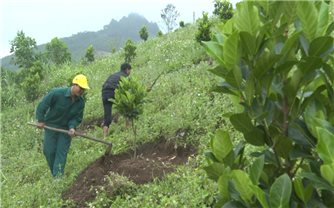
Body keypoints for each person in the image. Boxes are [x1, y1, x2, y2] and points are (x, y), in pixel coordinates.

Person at [35, 74, 90, 177]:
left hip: (65, 130)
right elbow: (43, 105)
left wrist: (72, 127)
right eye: (80, 88)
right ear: (74, 84)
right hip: (51, 127)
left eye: (84, 89)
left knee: (61, 154)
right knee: (49, 152)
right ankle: (55, 174)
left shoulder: (80, 103)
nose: (82, 91)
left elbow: (76, 118)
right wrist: (40, 120)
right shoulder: (57, 93)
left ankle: (58, 179)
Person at [101, 63, 132, 137]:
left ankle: (105, 136)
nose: (130, 72)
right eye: (130, 70)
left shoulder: (113, 75)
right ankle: (128, 129)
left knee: (107, 116)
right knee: (127, 106)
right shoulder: (124, 77)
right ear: (127, 70)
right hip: (113, 92)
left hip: (104, 93)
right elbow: (128, 90)